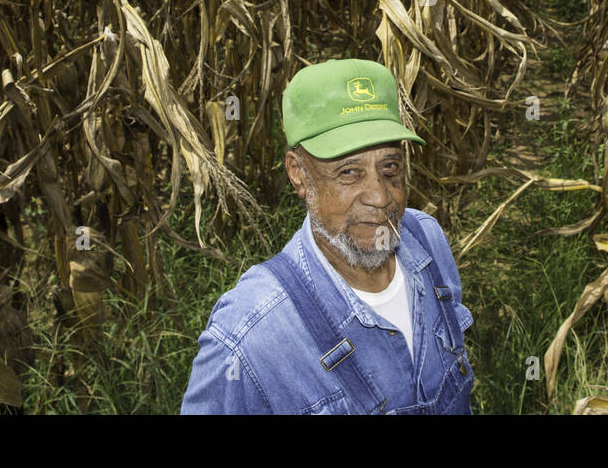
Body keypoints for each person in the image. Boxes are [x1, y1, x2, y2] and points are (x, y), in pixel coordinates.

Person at [180, 58, 474, 414]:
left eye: (390, 167)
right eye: (349, 171)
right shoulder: (252, 335)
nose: (380, 197)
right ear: (299, 174)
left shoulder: (426, 240)